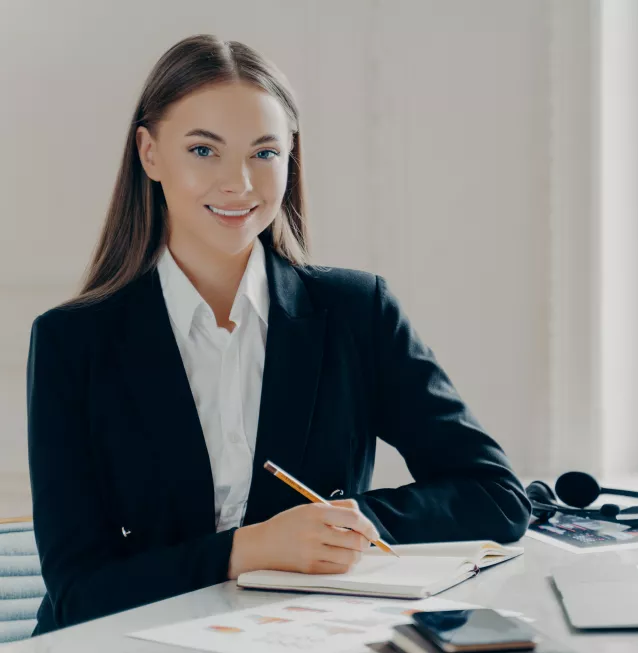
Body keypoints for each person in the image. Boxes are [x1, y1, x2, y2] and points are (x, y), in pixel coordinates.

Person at [26, 34, 530, 636]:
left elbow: (496, 496)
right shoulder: (71, 342)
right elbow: (80, 592)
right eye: (204, 150)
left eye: (264, 153)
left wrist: (352, 521)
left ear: (291, 158)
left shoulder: (357, 311)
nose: (239, 183)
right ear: (150, 153)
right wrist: (248, 548)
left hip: (302, 633)